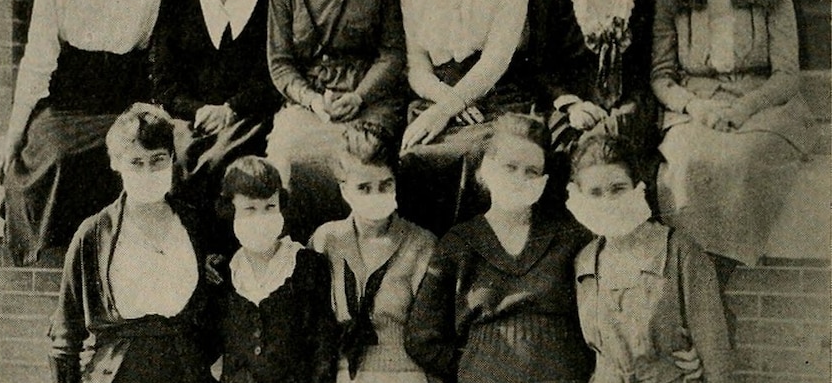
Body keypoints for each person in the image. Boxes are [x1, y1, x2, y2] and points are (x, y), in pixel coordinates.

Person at [0, 0, 172, 265]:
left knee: (136, 155)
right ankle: (63, 269)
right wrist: (12, 136)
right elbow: (38, 59)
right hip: (70, 102)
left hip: (126, 98)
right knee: (54, 160)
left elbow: (163, 50)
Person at [651, 0, 812, 280]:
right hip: (696, 107)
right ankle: (694, 284)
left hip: (763, 105)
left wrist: (744, 108)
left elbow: (787, 74)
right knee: (686, 164)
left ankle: (714, 282)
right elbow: (661, 75)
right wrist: (694, 106)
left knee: (740, 161)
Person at [266, 0, 406, 241]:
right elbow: (280, 64)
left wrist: (359, 95)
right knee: (289, 159)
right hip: (312, 105)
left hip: (370, 103)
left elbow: (392, 53)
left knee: (363, 160)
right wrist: (313, 100)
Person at [405, 113, 593, 383]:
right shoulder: (459, 243)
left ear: (543, 180)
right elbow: (421, 337)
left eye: (532, 171)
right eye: (510, 167)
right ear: (485, 170)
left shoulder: (571, 237)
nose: (520, 179)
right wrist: (473, 366)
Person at [398, 0, 530, 235]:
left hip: (495, 98)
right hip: (438, 96)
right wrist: (444, 103)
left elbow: (495, 62)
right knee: (415, 157)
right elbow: (416, 66)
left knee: (484, 161)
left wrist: (448, 108)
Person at [48, 104, 216, 383]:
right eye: (136, 162)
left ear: (172, 158)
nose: (148, 171)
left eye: (158, 159)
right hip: (116, 373)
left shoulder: (195, 225)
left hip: (185, 372)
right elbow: (65, 339)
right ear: (116, 163)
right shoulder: (92, 234)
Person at [152, 0, 279, 207]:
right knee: (178, 158)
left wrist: (231, 108)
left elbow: (275, 71)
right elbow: (163, 76)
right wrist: (197, 110)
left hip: (248, 119)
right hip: (190, 118)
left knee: (222, 160)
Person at [566, 133, 733, 382]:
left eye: (617, 188)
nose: (608, 202)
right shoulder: (585, 263)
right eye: (595, 192)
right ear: (580, 197)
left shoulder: (679, 253)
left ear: (637, 188)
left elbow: (715, 354)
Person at [530, 0, 657, 189]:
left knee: (614, 149)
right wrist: (572, 105)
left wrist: (627, 107)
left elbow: (647, 62)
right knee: (576, 155)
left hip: (630, 105)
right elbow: (542, 65)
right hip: (572, 108)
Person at [311, 121, 436, 383]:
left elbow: (430, 337)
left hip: (403, 373)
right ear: (344, 189)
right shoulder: (326, 241)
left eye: (385, 185)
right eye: (364, 188)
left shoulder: (421, 244)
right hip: (342, 374)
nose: (376, 195)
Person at [215, 156, 338, 383]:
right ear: (230, 211)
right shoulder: (224, 275)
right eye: (249, 209)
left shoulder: (307, 267)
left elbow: (323, 352)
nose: (261, 219)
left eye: (269, 207)